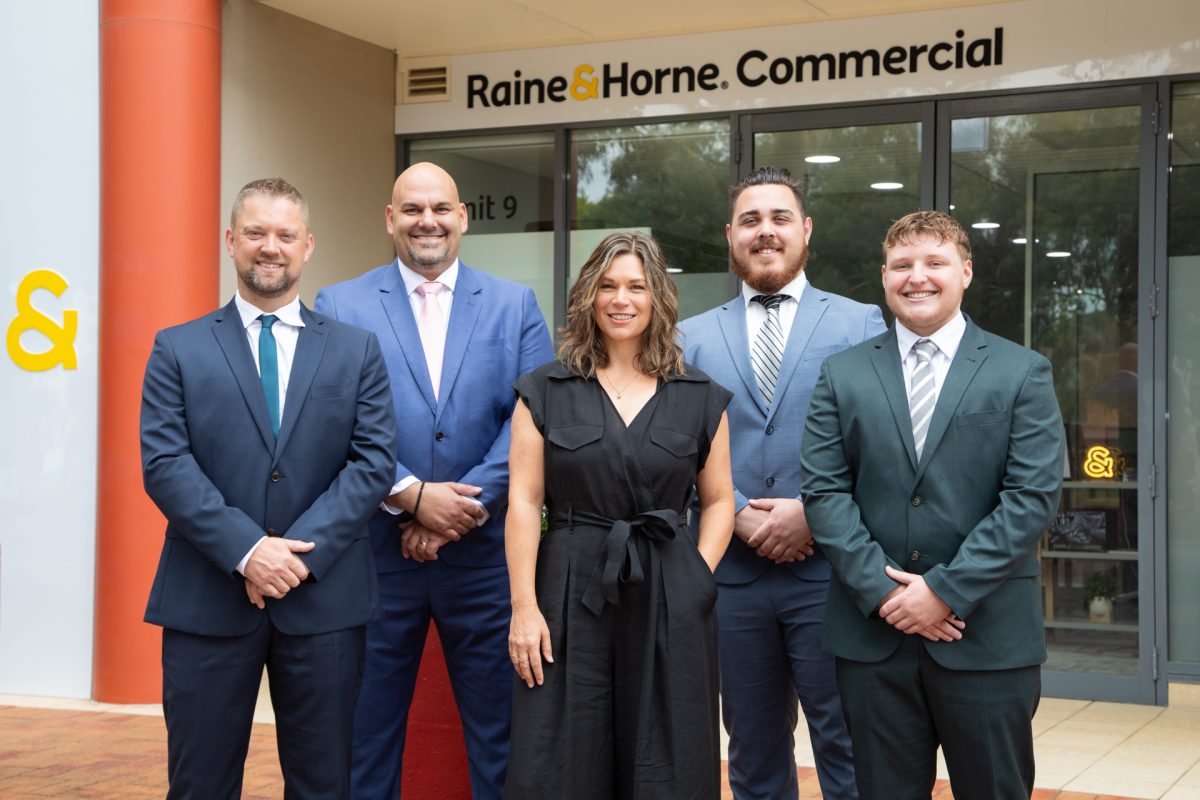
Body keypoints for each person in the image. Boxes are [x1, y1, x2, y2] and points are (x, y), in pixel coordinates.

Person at [141, 177, 398, 799]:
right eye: (255, 232)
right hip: (207, 598)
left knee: (324, 786)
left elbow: (372, 462)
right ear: (231, 241)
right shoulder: (177, 348)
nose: (270, 247)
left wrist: (292, 556)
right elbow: (165, 463)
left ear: (308, 246)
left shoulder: (356, 352)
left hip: (325, 603)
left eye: (285, 235)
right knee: (200, 783)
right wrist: (249, 551)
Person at [799, 210, 1066, 799]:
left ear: (965, 272)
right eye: (902, 265)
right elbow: (823, 491)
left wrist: (943, 590)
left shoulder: (1021, 371)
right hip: (874, 640)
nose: (917, 277)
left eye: (935, 262)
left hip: (988, 636)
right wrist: (888, 594)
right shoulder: (842, 374)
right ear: (885, 276)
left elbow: (1031, 499)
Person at [314, 162, 554, 799]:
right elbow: (331, 421)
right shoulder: (340, 304)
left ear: (463, 218)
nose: (428, 221)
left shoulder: (514, 304)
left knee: (502, 736)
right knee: (364, 739)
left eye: (441, 208)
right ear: (390, 219)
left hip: (484, 564)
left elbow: (532, 422)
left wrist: (461, 509)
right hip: (373, 558)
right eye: (413, 209)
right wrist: (412, 497)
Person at [504, 232, 735, 799]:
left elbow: (721, 499)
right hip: (567, 586)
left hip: (668, 588)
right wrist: (524, 608)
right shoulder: (545, 391)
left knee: (668, 747)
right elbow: (524, 502)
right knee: (561, 751)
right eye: (607, 285)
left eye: (636, 286)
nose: (620, 298)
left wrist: (695, 579)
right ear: (588, 295)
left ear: (658, 297)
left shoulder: (700, 396)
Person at [680, 166, 882, 800]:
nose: (765, 232)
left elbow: (882, 447)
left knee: (849, 745)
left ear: (806, 230)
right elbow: (671, 447)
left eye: (779, 218)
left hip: (832, 577)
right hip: (731, 580)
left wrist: (813, 514)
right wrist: (734, 511)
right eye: (750, 220)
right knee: (752, 748)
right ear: (730, 235)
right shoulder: (690, 337)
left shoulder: (862, 324)